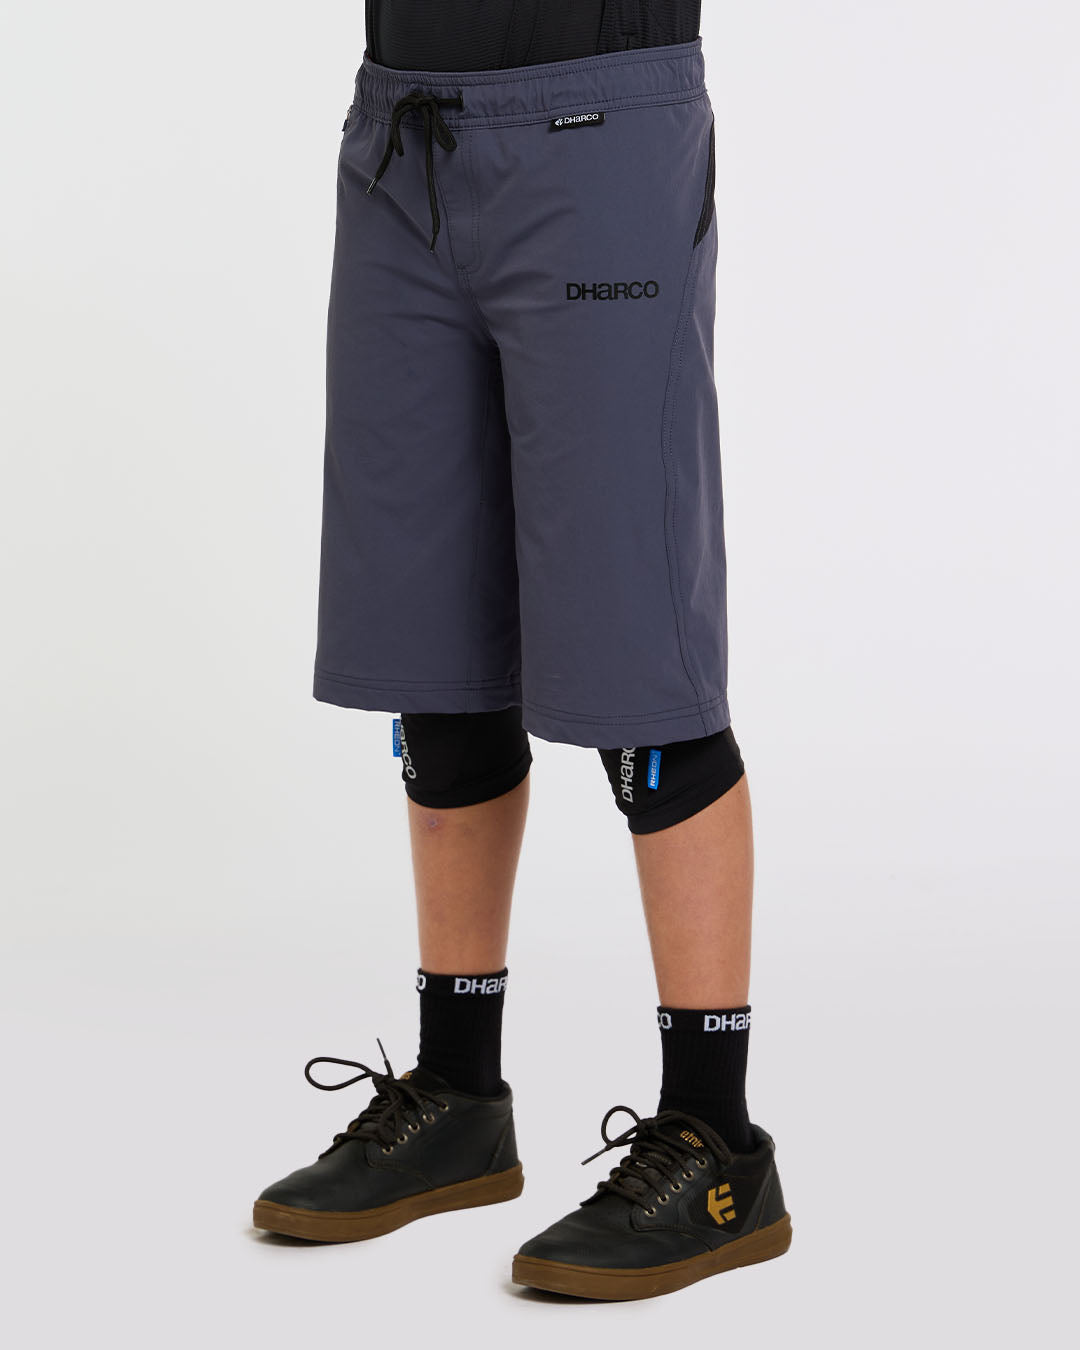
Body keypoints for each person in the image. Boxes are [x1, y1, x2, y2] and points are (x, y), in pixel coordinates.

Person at [253, 0, 791, 1299]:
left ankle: (715, 1141)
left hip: (600, 124)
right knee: (433, 658)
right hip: (400, 139)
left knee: (641, 670)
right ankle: (457, 1092)